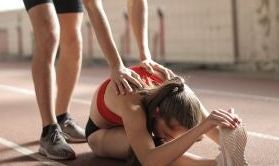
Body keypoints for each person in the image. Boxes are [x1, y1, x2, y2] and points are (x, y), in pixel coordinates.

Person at [14, 0, 174, 160]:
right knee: (49, 35)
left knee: (73, 41)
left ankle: (63, 116)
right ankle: (48, 130)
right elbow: (92, 3)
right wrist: (116, 65)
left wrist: (145, 56)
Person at [86, 66, 248, 166]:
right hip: (101, 132)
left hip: (138, 121)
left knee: (166, 145)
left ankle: (228, 161)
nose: (170, 139)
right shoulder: (133, 104)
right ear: (157, 112)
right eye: (169, 134)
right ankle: (217, 165)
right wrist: (199, 130)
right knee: (158, 149)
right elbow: (150, 161)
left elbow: (207, 121)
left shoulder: (177, 89)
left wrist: (227, 129)